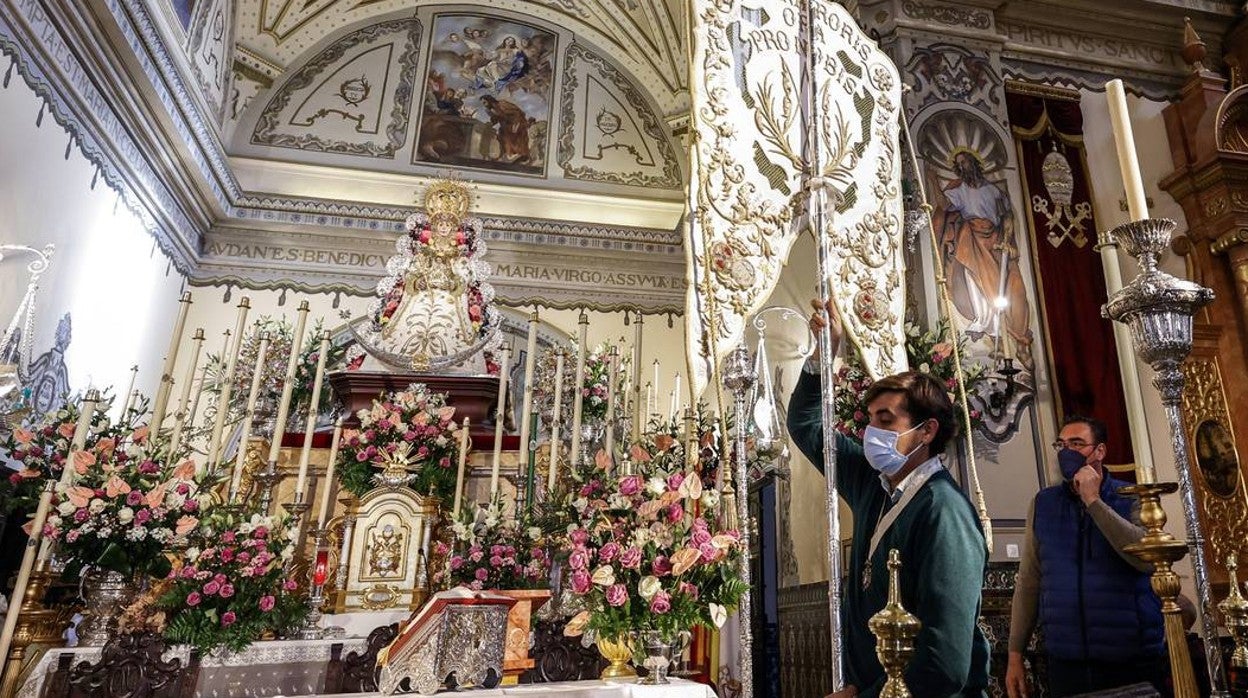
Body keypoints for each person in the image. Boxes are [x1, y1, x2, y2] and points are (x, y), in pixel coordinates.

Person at [787, 299, 991, 698]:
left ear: (926, 431)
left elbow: (943, 661)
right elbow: (806, 425)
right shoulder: (870, 483)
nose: (870, 433)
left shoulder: (943, 511)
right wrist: (820, 356)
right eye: (870, 420)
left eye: (886, 420)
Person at [1005, 416, 1167, 698]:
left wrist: (1094, 502)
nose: (1066, 452)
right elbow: (1030, 580)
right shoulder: (1044, 503)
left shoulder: (1132, 497)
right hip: (1067, 662)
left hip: (1129, 660)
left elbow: (1146, 559)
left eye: (1077, 444)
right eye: (1061, 445)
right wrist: (1015, 653)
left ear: (1100, 451)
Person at [935, 150, 1034, 369]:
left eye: (966, 162)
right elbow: (945, 207)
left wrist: (1007, 238)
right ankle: (985, 322)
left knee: (1004, 286)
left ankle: (1010, 335)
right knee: (975, 279)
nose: (964, 167)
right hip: (971, 236)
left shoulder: (993, 191)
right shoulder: (959, 190)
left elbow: (1007, 216)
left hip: (995, 239)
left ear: (975, 163)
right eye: (959, 165)